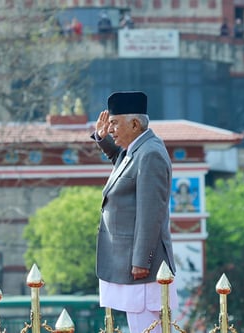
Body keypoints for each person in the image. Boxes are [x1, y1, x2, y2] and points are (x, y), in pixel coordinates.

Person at [91, 91, 178, 333]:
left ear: (135, 123)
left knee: (148, 328)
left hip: (144, 271)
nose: (111, 129)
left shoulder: (150, 154)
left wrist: (141, 261)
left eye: (115, 124)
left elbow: (151, 213)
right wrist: (101, 137)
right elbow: (121, 162)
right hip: (130, 265)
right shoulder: (137, 149)